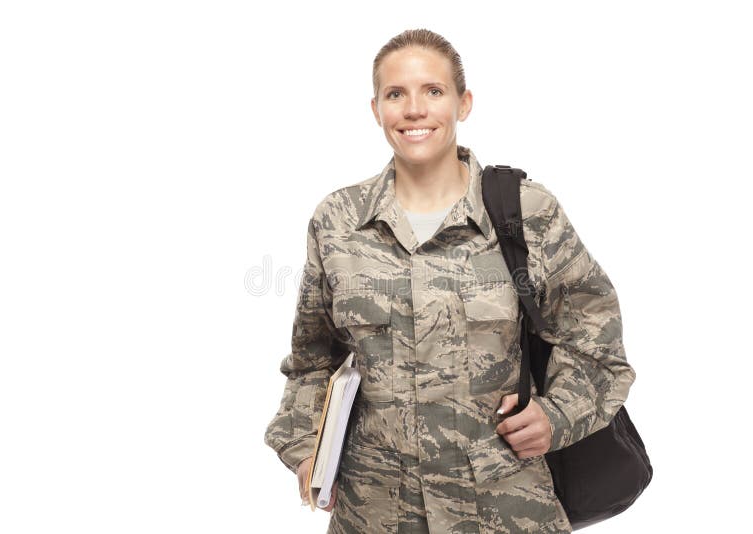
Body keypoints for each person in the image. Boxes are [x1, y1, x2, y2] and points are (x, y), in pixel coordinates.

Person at [264, 28, 636, 534]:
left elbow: (595, 339)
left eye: (433, 91)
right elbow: (312, 363)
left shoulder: (527, 212)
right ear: (376, 109)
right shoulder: (337, 221)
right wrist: (309, 452)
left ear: (464, 103)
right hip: (374, 512)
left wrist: (558, 414)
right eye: (396, 94)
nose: (414, 109)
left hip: (504, 508)